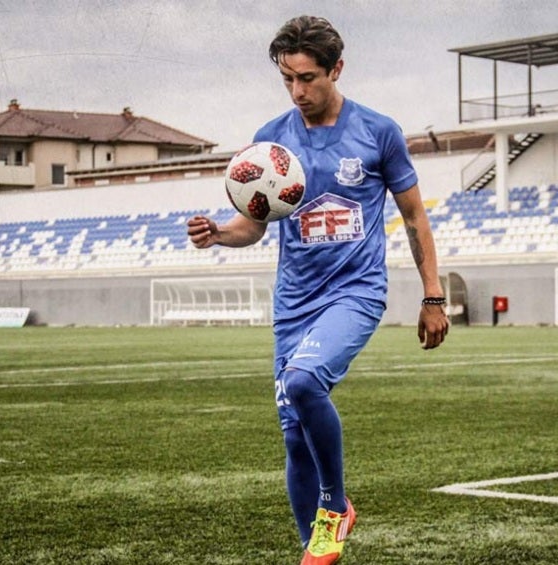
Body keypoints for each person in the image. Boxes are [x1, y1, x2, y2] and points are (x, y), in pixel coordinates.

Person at [187, 15, 449, 565]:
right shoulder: (271, 141)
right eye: (287, 79)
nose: (297, 91)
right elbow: (254, 226)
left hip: (355, 292)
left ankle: (335, 505)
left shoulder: (378, 132)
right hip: (294, 302)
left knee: (304, 382)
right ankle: (317, 550)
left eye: (307, 78)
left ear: (336, 69)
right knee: (293, 435)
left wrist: (432, 296)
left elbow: (415, 217)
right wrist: (219, 233)